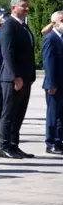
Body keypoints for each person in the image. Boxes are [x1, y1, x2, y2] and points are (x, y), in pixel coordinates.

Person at [0, 0, 36, 159]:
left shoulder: (23, 26)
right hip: (13, 78)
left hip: (25, 77)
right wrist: (16, 76)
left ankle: (14, 145)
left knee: (19, 113)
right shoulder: (9, 25)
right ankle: (4, 146)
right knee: (9, 113)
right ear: (13, 7)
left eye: (27, 6)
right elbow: (7, 53)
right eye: (23, 6)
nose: (26, 9)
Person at [41, 11, 63, 155]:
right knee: (53, 114)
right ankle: (51, 143)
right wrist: (51, 83)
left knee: (61, 115)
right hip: (54, 83)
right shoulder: (51, 38)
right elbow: (48, 62)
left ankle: (59, 140)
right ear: (54, 23)